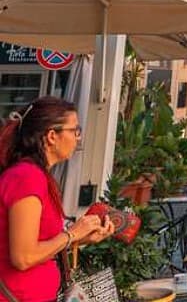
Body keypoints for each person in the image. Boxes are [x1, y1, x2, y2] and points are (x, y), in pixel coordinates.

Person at [0, 98, 115, 302]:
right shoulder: (27, 177)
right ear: (52, 136)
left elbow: (39, 244)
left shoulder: (37, 176)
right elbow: (23, 257)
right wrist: (71, 234)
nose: (78, 138)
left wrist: (80, 238)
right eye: (74, 130)